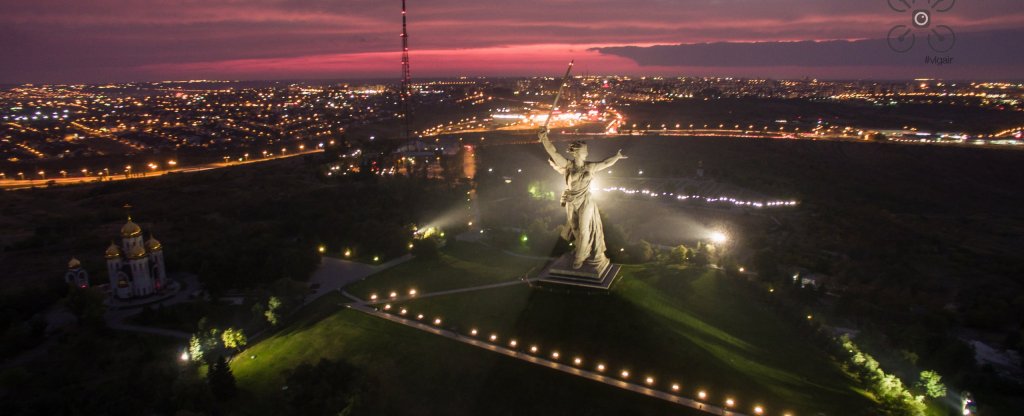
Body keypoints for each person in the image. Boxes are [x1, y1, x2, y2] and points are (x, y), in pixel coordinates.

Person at [539, 127, 626, 269]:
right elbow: (553, 152)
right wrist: (544, 138)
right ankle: (582, 248)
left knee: (584, 228)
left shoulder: (590, 167)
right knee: (575, 228)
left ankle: (580, 257)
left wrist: (616, 157)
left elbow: (605, 163)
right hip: (571, 200)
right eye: (585, 150)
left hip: (586, 200)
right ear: (578, 152)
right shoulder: (568, 166)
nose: (587, 152)